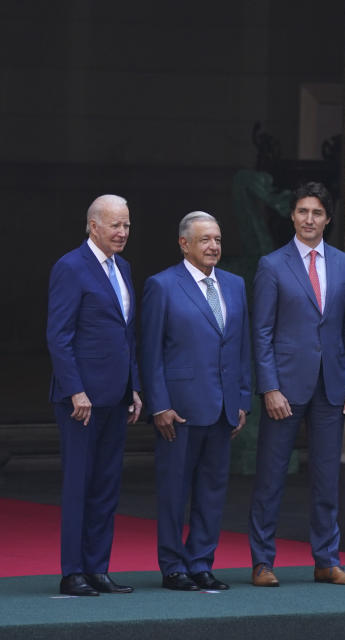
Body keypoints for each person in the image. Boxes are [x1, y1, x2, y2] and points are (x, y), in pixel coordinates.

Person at [248, 181, 345, 587]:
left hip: (332, 387)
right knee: (271, 476)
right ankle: (262, 562)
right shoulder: (271, 264)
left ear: (327, 219)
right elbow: (260, 332)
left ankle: (326, 560)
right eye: (302, 212)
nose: (309, 219)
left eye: (316, 213)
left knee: (326, 477)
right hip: (285, 388)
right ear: (292, 216)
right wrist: (270, 387)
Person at [140, 211, 251, 591]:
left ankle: (202, 562)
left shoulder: (235, 286)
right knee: (174, 490)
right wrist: (159, 405)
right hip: (179, 410)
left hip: (222, 409)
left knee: (212, 489)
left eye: (217, 239)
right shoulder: (162, 285)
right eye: (204, 239)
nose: (213, 246)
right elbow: (150, 351)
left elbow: (241, 347)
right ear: (184, 244)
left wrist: (241, 399)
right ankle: (173, 566)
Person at [47, 194, 142, 596]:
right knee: (79, 484)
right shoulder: (70, 267)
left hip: (116, 396)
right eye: (114, 225)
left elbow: (126, 335)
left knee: (106, 485)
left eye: (126, 225)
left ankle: (98, 568)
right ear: (93, 226)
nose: (122, 232)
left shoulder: (123, 268)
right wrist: (75, 390)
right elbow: (58, 335)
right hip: (81, 401)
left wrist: (134, 386)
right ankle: (73, 572)